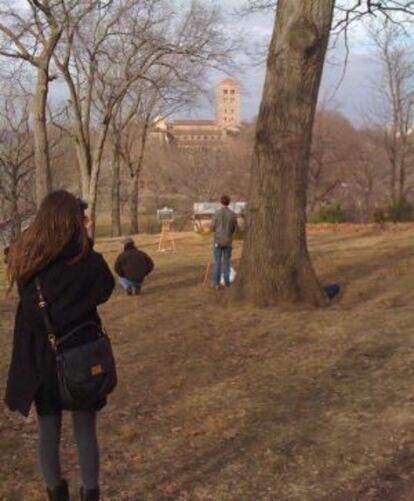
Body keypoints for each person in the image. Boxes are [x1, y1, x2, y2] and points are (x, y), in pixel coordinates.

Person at [5, 190, 115, 501]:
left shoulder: (29, 261)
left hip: (42, 360)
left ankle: (56, 494)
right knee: (84, 429)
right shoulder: (87, 261)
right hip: (81, 356)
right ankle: (90, 494)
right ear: (73, 222)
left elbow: (29, 313)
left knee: (48, 431)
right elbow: (105, 289)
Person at [210, 194, 238, 288]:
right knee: (226, 263)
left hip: (218, 241)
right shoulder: (233, 214)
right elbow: (235, 229)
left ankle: (215, 283)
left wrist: (215, 229)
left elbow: (212, 227)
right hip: (228, 241)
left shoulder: (216, 213)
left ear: (220, 202)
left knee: (217, 262)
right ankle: (227, 283)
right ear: (228, 202)